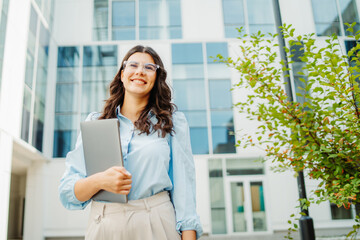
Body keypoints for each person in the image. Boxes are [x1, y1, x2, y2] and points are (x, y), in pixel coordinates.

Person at [59, 45, 203, 240]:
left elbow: (185, 193)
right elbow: (68, 192)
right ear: (122, 74)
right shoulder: (96, 123)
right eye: (133, 65)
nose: (140, 71)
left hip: (156, 222)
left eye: (149, 68)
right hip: (104, 225)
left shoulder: (172, 122)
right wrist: (100, 180)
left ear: (156, 77)